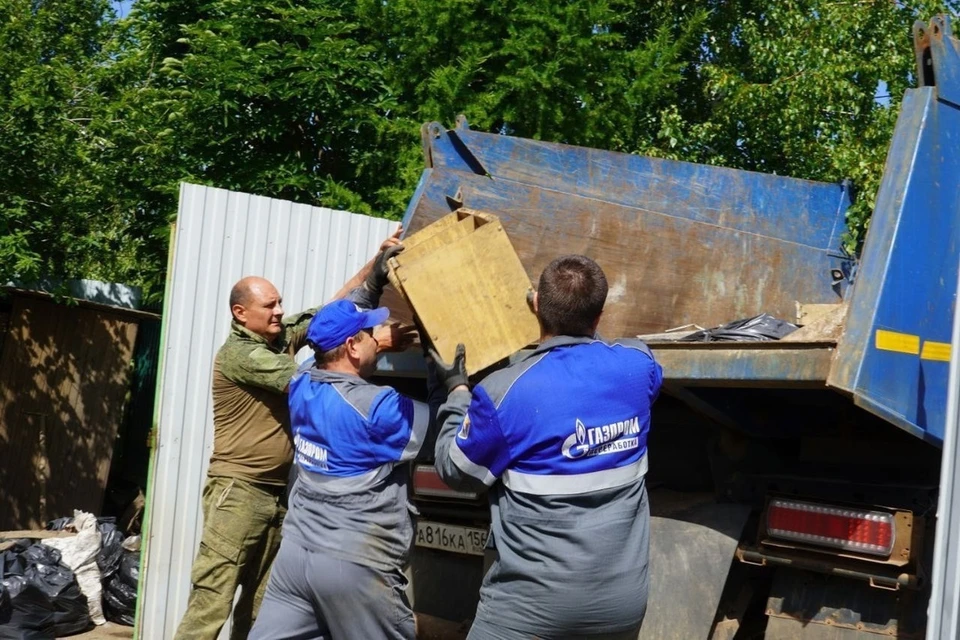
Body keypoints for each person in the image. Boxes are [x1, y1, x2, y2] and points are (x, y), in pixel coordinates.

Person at [176, 228, 415, 640]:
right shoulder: (242, 355)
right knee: (210, 604)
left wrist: (372, 271)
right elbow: (318, 378)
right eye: (269, 306)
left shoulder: (274, 337)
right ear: (240, 313)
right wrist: (372, 343)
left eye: (280, 303)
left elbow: (325, 319)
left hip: (277, 494)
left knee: (260, 607)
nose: (278, 311)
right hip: (239, 491)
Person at [431, 254, 663, 640]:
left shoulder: (504, 392)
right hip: (621, 609)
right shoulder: (639, 366)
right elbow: (618, 358)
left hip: (528, 613)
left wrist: (455, 393)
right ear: (600, 314)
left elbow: (457, 472)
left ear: (536, 304)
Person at [248, 278, 442, 640]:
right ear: (353, 346)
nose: (378, 339)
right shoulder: (377, 407)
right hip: (353, 566)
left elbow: (327, 334)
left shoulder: (303, 382)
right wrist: (440, 369)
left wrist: (372, 285)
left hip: (296, 557)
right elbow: (444, 432)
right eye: (371, 334)